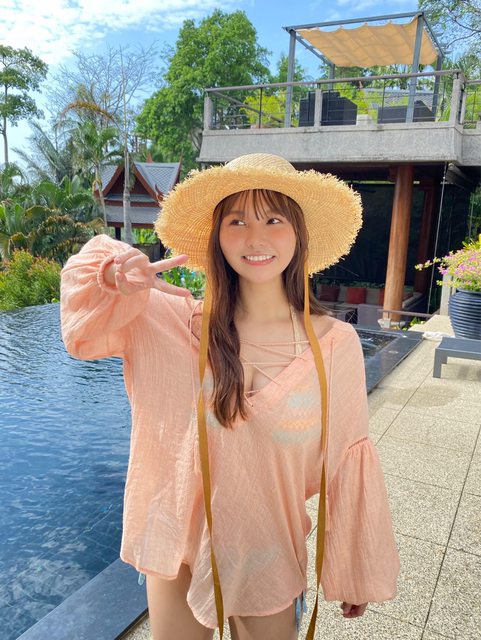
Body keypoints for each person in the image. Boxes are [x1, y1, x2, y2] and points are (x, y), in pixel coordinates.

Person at [60, 153, 400, 640]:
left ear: (299, 233)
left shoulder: (333, 346)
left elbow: (348, 459)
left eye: (273, 219)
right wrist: (112, 276)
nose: (255, 238)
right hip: (177, 542)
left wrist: (354, 567)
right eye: (237, 221)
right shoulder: (169, 321)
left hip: (267, 550)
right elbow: (81, 329)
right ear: (217, 235)